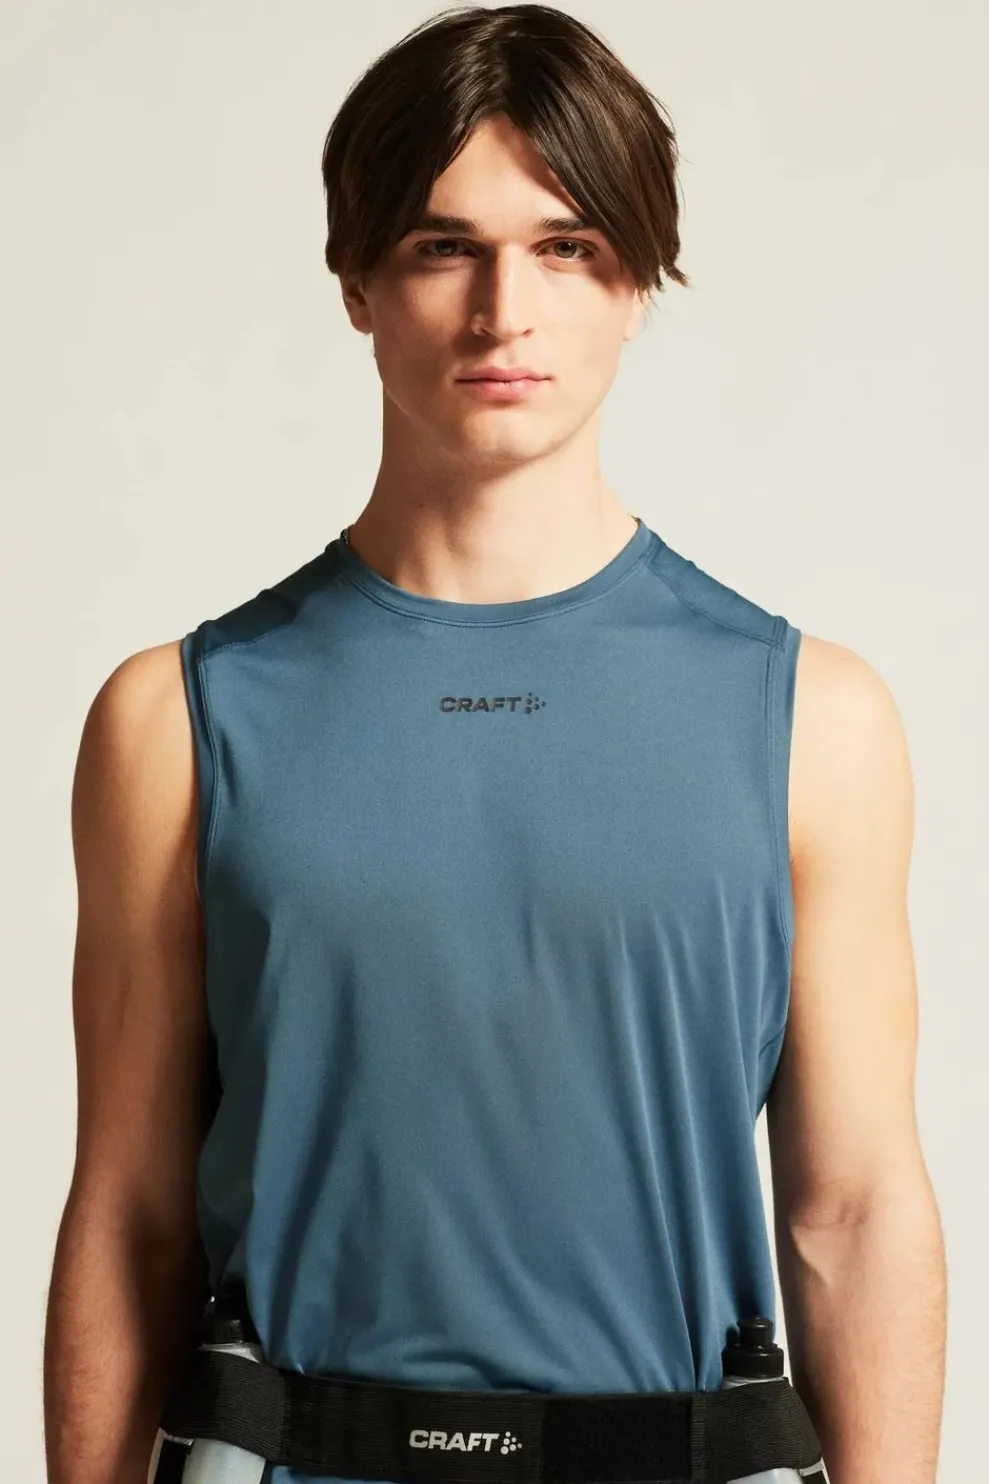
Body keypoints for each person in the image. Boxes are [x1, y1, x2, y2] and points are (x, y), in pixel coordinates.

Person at [43, 6, 946, 1484]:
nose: (503, 310)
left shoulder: (815, 721)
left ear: (638, 281)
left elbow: (851, 1212)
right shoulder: (174, 721)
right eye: (442, 246)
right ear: (357, 281)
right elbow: (129, 1208)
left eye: (567, 246)